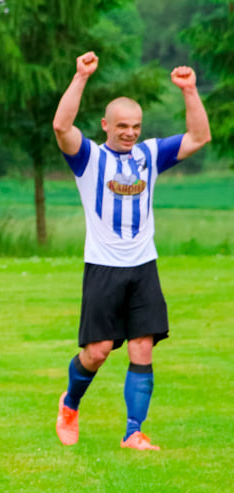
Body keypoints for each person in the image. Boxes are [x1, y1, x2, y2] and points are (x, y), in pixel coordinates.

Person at [52, 52, 211, 450]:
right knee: (98, 352)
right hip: (103, 267)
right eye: (122, 126)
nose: (130, 133)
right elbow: (61, 125)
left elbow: (198, 137)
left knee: (143, 347)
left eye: (136, 126)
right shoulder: (89, 158)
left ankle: (133, 432)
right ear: (106, 125)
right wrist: (81, 77)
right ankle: (70, 404)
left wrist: (189, 91)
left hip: (144, 266)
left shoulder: (150, 154)